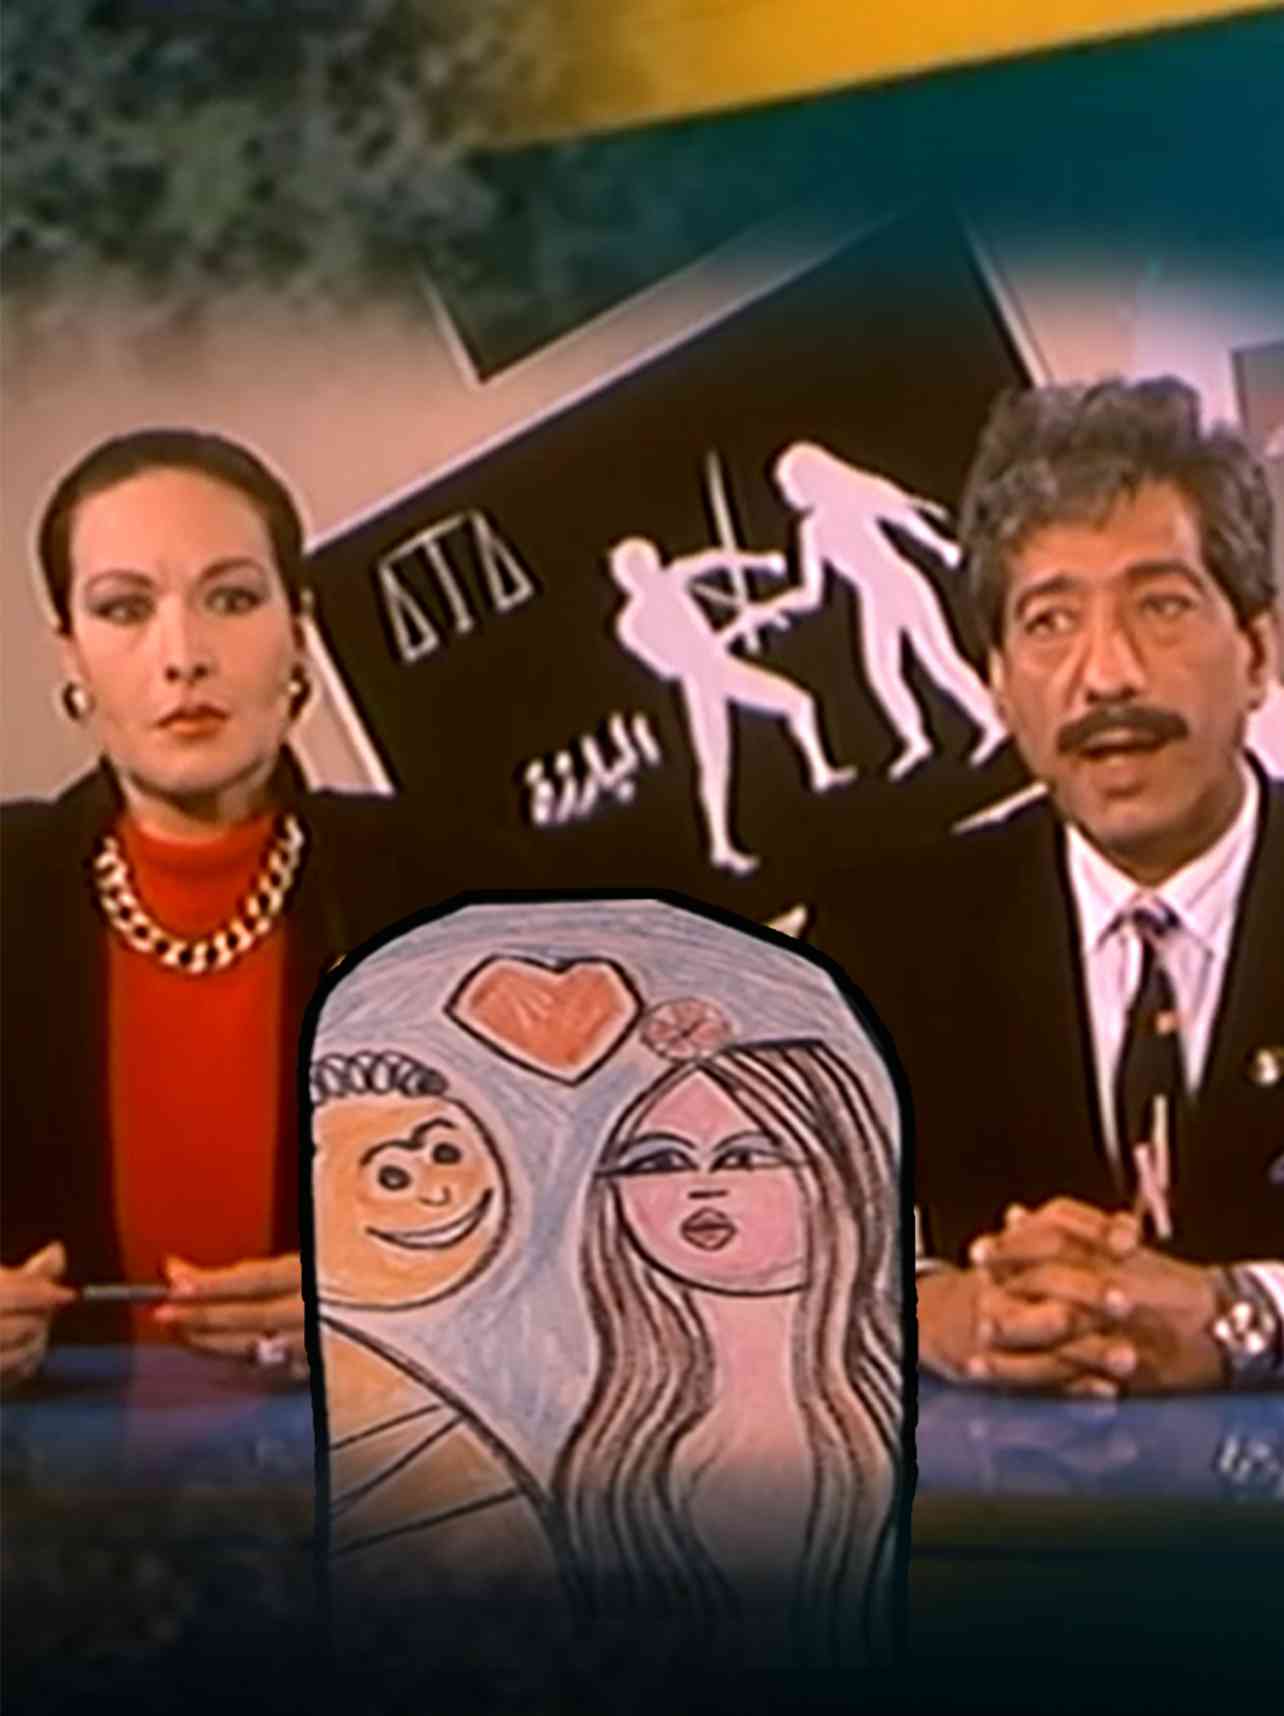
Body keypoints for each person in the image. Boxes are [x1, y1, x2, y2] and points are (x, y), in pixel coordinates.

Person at [817, 376, 1283, 1396]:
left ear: (1258, 652)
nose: (1107, 675)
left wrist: (1245, 1312)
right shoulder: (883, 936)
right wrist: (938, 1311)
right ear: (997, 684)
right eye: (1050, 622)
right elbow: (772, 1248)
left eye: (1161, 606)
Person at [1, 429, 442, 1389]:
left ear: (299, 629)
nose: (183, 656)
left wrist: (404, 1319)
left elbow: (591, 1250)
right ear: (70, 652)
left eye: (233, 600)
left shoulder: (439, 889)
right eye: (124, 609)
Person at [553, 1035, 902, 1666]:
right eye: (658, 1161)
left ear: (840, 1168)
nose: (702, 1185)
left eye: (747, 1156)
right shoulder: (607, 1438)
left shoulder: (905, 1403)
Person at [609, 534, 855, 875]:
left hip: (722, 668)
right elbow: (670, 669)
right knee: (716, 765)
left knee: (799, 702)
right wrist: (733, 631)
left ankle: (819, 771)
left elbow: (714, 559)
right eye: (635, 568)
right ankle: (720, 846)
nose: (645, 571)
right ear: (626, 577)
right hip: (700, 685)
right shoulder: (631, 623)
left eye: (645, 562)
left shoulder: (674, 578)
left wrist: (761, 561)